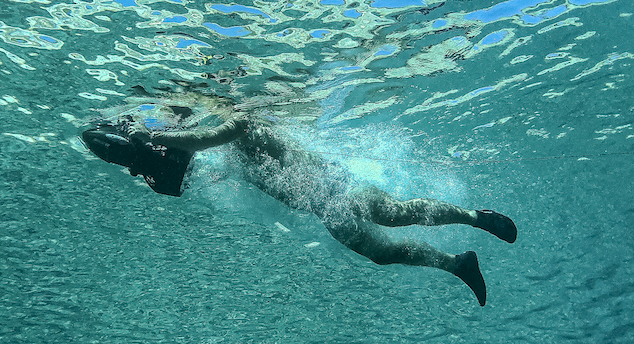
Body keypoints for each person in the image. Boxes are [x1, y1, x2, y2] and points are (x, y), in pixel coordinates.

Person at [81, 112, 516, 306]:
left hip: (338, 186)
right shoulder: (218, 154)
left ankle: (477, 218)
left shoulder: (242, 127)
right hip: (323, 210)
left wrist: (157, 137)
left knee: (393, 213)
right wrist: (144, 151)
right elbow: (189, 161)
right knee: (382, 253)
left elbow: (207, 137)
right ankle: (457, 264)